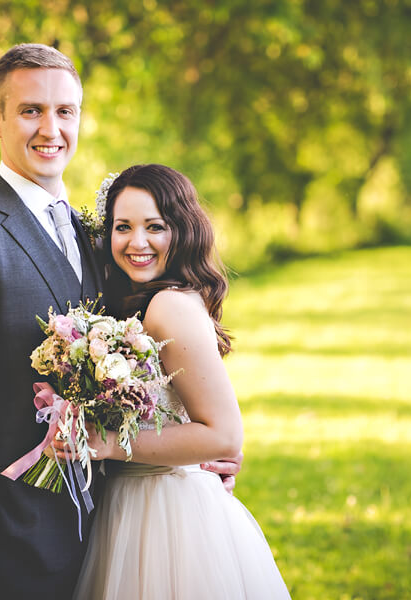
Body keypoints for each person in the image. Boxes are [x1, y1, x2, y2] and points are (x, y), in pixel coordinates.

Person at [0, 44, 242, 598]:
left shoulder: (99, 237)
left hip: (103, 529)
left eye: (65, 111)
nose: (51, 128)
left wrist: (200, 452)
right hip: (9, 538)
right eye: (31, 110)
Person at [57, 164, 290, 599]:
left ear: (180, 231)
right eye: (122, 226)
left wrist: (111, 443)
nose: (136, 242)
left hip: (165, 514)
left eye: (155, 227)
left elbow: (223, 434)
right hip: (135, 500)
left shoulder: (168, 306)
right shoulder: (145, 297)